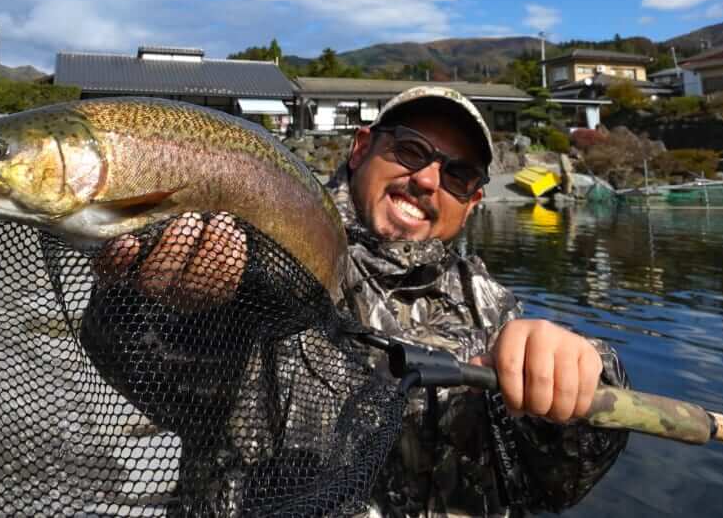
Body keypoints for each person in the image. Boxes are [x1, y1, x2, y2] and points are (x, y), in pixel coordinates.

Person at [85, 86, 628, 517]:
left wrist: (584, 375)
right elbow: (155, 371)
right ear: (362, 148)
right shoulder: (275, 259)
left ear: (474, 201)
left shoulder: (496, 310)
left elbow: (559, 482)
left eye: (458, 175)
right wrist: (168, 306)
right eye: (411, 151)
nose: (427, 180)